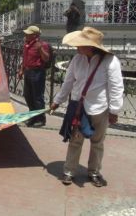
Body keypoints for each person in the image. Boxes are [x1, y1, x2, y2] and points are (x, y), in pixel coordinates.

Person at [50, 27, 124, 187]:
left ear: (91, 46)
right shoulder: (77, 59)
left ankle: (94, 172)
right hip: (79, 108)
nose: (77, 47)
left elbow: (116, 87)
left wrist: (114, 110)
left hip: (100, 109)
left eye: (80, 44)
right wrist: (58, 101)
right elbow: (68, 82)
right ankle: (69, 171)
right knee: (75, 141)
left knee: (97, 142)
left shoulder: (110, 61)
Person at [18, 25, 50, 127]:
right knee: (28, 96)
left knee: (37, 97)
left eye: (28, 34)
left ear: (35, 35)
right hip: (28, 72)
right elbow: (25, 58)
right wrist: (21, 70)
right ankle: (33, 116)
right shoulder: (27, 44)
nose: (26, 35)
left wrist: (40, 49)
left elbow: (46, 59)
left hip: (37, 73)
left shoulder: (42, 44)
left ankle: (41, 119)